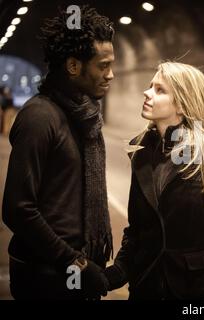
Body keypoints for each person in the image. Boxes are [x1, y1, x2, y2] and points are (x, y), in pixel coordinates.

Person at [104, 62, 204, 300]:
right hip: (145, 289)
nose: (147, 93)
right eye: (150, 86)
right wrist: (116, 273)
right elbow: (138, 231)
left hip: (193, 292)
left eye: (160, 90)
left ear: (182, 104)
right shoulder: (140, 151)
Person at [2, 6, 115, 300]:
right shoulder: (40, 117)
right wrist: (73, 262)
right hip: (45, 276)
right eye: (103, 66)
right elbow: (17, 209)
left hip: (74, 271)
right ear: (74, 66)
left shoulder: (84, 118)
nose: (111, 75)